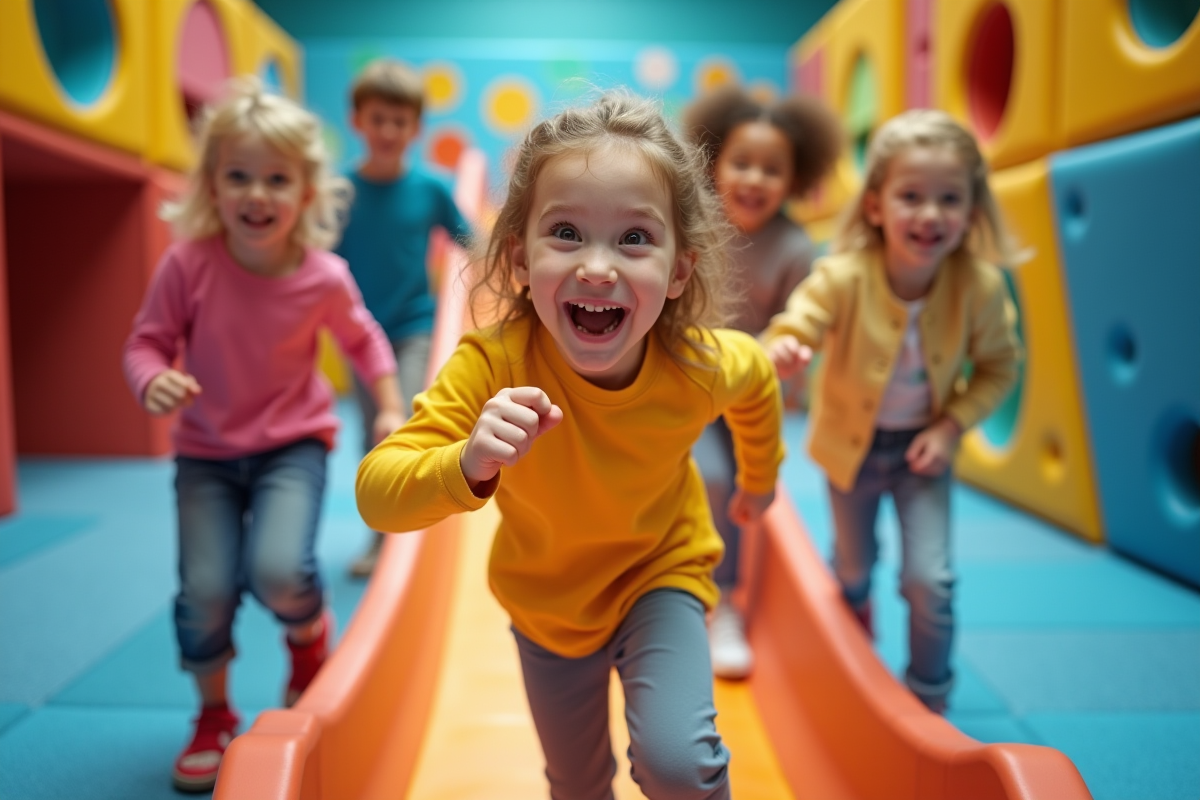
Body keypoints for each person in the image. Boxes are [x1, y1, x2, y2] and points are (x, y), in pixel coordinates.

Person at [357, 93, 784, 799]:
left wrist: (759, 478)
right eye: (566, 232)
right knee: (577, 783)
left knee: (681, 766)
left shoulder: (700, 364)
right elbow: (378, 492)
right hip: (548, 606)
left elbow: (758, 379)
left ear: (679, 272)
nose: (596, 267)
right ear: (519, 258)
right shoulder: (494, 364)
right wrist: (465, 462)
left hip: (661, 575)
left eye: (635, 239)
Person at [123, 78, 402, 792]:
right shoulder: (187, 265)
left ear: (307, 192)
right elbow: (146, 343)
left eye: (277, 179)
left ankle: (307, 637)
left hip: (291, 447)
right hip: (207, 455)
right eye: (238, 175)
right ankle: (213, 715)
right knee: (207, 589)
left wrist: (388, 406)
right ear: (212, 185)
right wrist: (151, 377)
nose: (257, 194)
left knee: (279, 572)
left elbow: (367, 343)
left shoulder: (323, 276)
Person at [762, 109, 1022, 714]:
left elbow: (999, 366)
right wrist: (788, 345)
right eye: (912, 197)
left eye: (949, 199)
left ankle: (929, 697)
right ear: (876, 205)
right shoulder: (845, 275)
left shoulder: (977, 288)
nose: (930, 215)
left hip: (920, 454)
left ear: (971, 211)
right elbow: (801, 318)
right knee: (854, 568)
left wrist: (950, 425)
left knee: (930, 581)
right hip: (849, 450)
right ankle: (853, 647)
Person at [684, 85, 842, 679]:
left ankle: (725, 601)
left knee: (739, 485)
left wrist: (790, 352)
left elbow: (801, 319)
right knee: (698, 475)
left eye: (772, 170)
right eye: (741, 162)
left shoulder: (796, 247)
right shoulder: (695, 226)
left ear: (796, 179)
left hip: (748, 391)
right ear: (713, 162)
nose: (754, 179)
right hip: (689, 383)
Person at [337, 58, 473, 578]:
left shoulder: (430, 190)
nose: (389, 131)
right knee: (373, 435)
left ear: (416, 128)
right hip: (358, 335)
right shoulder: (341, 193)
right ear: (358, 121)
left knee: (409, 423)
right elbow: (318, 262)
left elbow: (468, 240)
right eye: (378, 119)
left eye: (400, 121)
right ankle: (381, 535)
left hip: (415, 326)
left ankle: (411, 537)